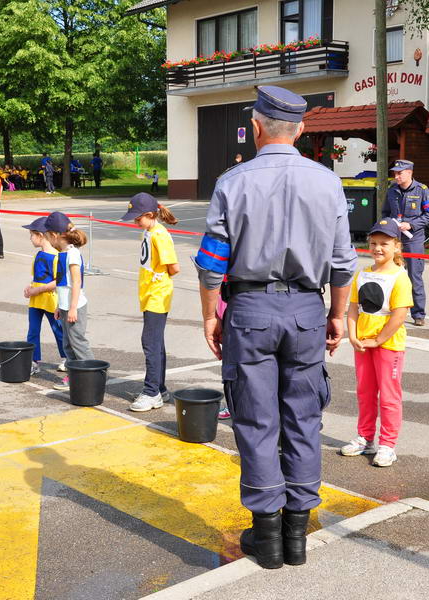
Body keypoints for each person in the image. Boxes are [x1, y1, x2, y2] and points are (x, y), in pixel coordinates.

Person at [192, 85, 358, 569]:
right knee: (304, 419)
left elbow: (211, 263)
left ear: (256, 127)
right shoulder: (327, 182)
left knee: (256, 420)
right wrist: (337, 315)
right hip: (306, 310)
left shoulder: (232, 182)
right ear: (300, 130)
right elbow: (343, 262)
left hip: (249, 311)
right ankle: (296, 537)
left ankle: (266, 538)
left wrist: (210, 315)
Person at [341, 220, 413, 468]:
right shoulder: (362, 274)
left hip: (388, 346)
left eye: (384, 243)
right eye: (373, 243)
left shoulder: (399, 277)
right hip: (364, 344)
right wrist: (352, 335)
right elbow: (353, 308)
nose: (378, 248)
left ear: (396, 246)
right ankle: (365, 438)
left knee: (389, 396)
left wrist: (378, 340)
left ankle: (387, 445)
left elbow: (399, 315)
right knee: (365, 392)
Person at [119, 193, 180, 411]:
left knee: (150, 342)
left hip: (157, 294)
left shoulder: (159, 235)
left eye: (138, 218)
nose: (135, 222)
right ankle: (160, 388)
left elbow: (174, 267)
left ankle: (151, 391)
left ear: (150, 215)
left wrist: (159, 278)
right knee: (156, 342)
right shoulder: (148, 232)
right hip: (149, 294)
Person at [381, 159, 429, 326]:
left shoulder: (422, 190)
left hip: (414, 239)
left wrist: (411, 224)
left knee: (414, 276)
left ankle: (418, 314)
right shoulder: (392, 190)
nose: (396, 176)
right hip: (395, 239)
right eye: (395, 173)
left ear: (410, 173)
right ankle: (391, 310)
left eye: (400, 173)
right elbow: (385, 212)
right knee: (391, 275)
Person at [44, 211, 93, 392]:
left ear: (55, 235)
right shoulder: (63, 253)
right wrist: (59, 306)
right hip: (65, 306)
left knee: (78, 342)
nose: (48, 241)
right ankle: (74, 375)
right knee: (67, 343)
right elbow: (62, 283)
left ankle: (91, 374)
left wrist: (72, 308)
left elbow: (76, 282)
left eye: (48, 237)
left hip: (75, 306)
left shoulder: (72, 254)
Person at [23, 216, 67, 375]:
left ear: (41, 235)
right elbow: (36, 277)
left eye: (32, 235)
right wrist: (30, 287)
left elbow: (58, 281)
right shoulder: (38, 255)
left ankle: (66, 357)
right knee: (33, 331)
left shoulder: (57, 256)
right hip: (36, 301)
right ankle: (33, 361)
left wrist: (37, 290)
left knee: (58, 330)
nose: (30, 238)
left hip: (50, 300)